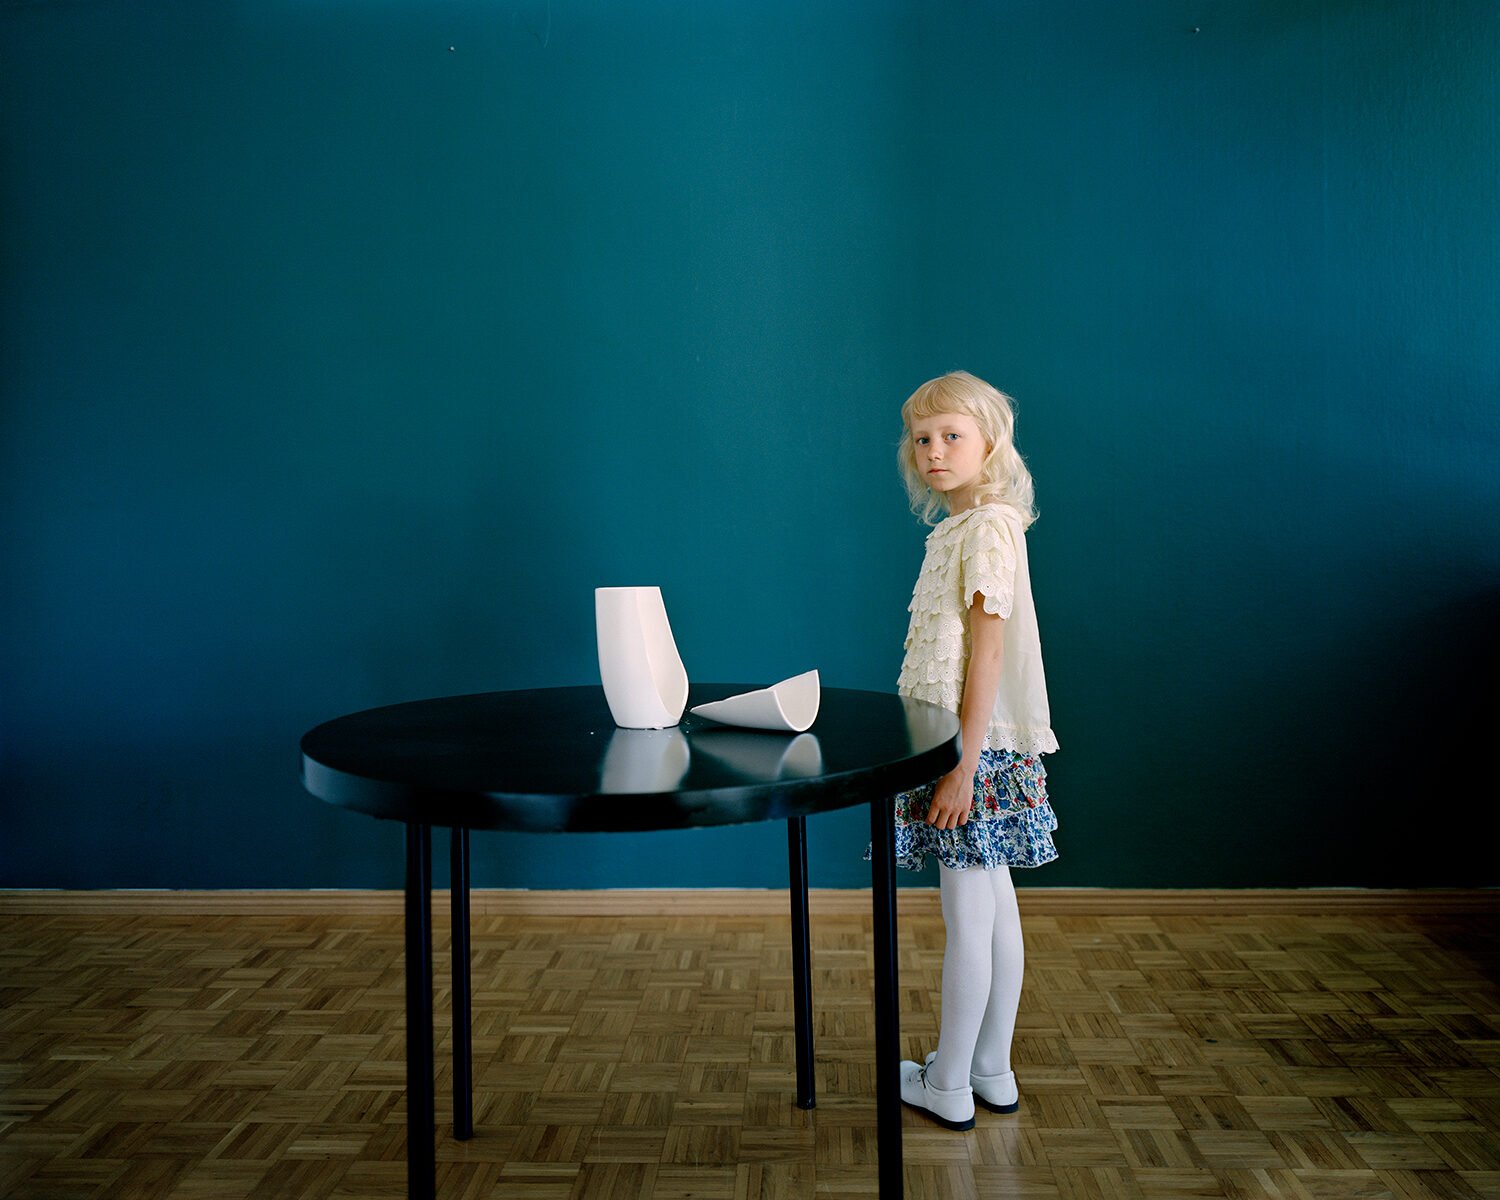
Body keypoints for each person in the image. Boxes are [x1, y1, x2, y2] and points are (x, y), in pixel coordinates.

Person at [871, 370, 1060, 1131]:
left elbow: (988, 655)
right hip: (977, 748)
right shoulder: (969, 526)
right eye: (922, 438)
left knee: (968, 916)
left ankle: (948, 1080)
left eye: (952, 435)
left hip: (971, 751)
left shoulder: (985, 528)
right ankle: (991, 1068)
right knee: (994, 909)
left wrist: (961, 766)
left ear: (990, 443)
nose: (934, 450)